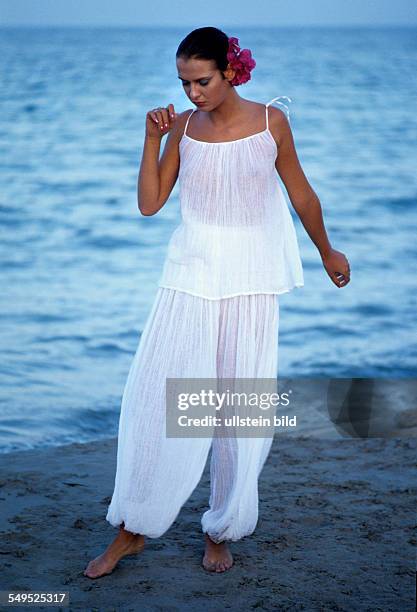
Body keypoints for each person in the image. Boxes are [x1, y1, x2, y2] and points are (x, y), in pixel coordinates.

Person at [84, 26, 350, 578]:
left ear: (232, 71)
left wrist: (326, 250)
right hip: (189, 277)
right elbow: (150, 205)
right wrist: (151, 140)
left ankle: (221, 528)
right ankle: (132, 528)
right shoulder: (180, 128)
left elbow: (300, 191)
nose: (192, 93)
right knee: (154, 401)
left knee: (238, 413)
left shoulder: (271, 123)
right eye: (184, 83)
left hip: (250, 282)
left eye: (201, 80)